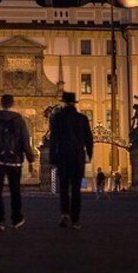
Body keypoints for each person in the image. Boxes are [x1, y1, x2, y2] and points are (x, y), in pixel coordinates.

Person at [0, 93, 35, 231]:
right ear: (13, 104)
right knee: (15, 190)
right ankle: (16, 218)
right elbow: (25, 141)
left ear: (1, 104)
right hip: (14, 160)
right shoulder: (19, 120)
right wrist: (31, 160)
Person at [49, 91, 94, 230]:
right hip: (77, 157)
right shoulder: (82, 118)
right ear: (74, 103)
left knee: (63, 188)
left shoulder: (57, 118)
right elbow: (89, 140)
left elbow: (53, 139)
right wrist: (88, 156)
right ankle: (75, 220)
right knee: (76, 189)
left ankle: (64, 214)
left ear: (63, 102)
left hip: (63, 156)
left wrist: (52, 157)